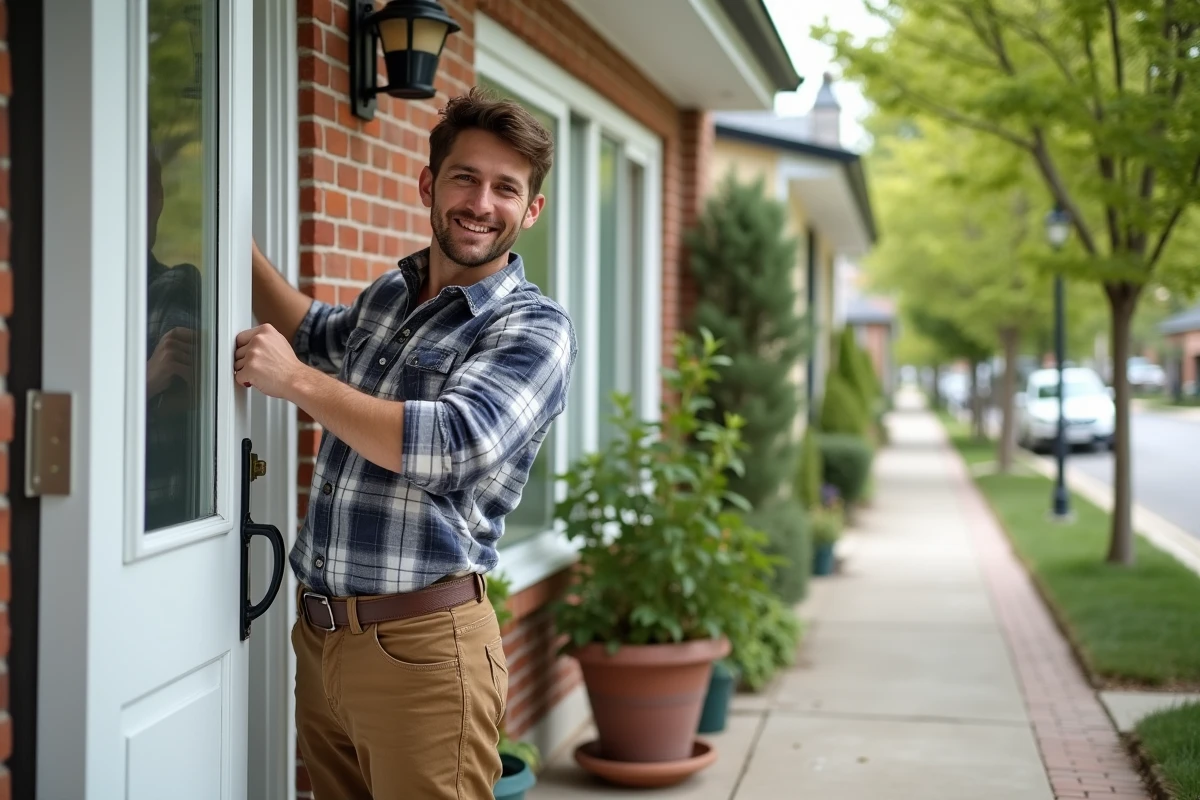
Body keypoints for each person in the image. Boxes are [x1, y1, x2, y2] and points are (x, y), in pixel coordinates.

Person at [235, 87, 576, 798]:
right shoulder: (393, 295)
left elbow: (452, 443)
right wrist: (226, 242)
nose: (481, 202)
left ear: (530, 210)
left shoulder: (533, 329)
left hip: (423, 651)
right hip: (323, 637)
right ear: (429, 182)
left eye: (505, 189)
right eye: (464, 177)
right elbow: (308, 333)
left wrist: (297, 384)